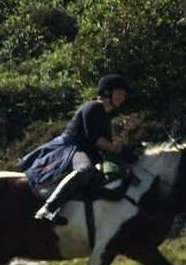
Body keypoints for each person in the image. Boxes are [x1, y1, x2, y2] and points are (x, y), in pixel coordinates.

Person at [29, 75, 139, 223]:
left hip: (83, 151)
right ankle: (48, 208)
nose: (123, 97)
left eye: (125, 94)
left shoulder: (105, 116)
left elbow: (105, 146)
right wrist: (119, 150)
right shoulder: (93, 107)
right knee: (85, 169)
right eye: (120, 93)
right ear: (107, 92)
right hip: (70, 148)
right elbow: (95, 139)